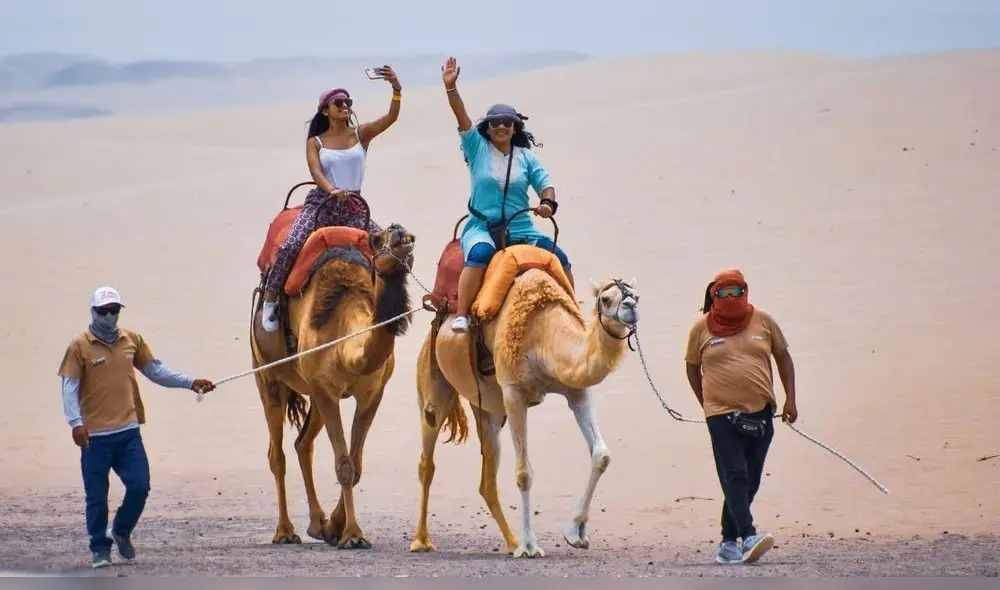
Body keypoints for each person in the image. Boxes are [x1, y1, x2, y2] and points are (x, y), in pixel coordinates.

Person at [57, 286, 216, 569]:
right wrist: (75, 423)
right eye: (103, 312)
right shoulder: (79, 346)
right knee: (96, 496)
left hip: (128, 432)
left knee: (140, 486)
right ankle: (99, 548)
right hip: (94, 437)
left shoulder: (132, 340)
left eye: (114, 311)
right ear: (93, 312)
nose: (109, 317)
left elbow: (156, 370)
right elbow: (69, 387)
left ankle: (120, 529)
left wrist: (190, 382)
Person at [260, 65, 403, 332]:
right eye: (339, 102)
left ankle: (389, 307)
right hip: (322, 205)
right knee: (291, 245)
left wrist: (396, 88)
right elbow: (316, 171)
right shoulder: (316, 141)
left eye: (348, 102)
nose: (345, 106)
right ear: (326, 109)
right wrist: (331, 189)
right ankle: (270, 299)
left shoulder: (360, 134)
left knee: (390, 247)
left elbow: (391, 117)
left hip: (355, 208)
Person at [439, 56, 573, 333]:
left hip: (521, 226)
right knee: (480, 253)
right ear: (487, 128)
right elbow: (462, 118)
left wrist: (547, 202)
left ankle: (573, 309)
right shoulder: (476, 149)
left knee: (559, 257)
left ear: (515, 127)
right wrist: (451, 89)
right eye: (495, 122)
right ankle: (462, 314)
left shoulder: (526, 158)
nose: (501, 126)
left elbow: (545, 184)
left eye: (507, 122)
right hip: (482, 226)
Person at [683, 268, 798, 565]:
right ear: (714, 294)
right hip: (721, 415)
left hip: (761, 414)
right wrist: (707, 403)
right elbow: (692, 368)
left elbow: (783, 357)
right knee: (735, 474)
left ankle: (726, 543)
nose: (731, 297)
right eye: (724, 292)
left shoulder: (764, 320)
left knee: (751, 480)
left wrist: (790, 400)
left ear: (745, 290)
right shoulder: (701, 328)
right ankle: (748, 535)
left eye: (737, 291)